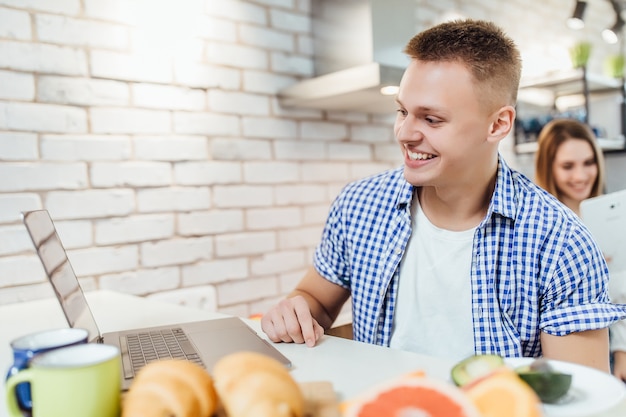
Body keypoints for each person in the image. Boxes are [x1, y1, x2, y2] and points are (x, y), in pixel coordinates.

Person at [261, 19, 626, 372]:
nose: (404, 133)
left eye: (431, 119)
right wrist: (294, 310)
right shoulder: (359, 204)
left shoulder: (561, 240)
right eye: (402, 111)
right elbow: (315, 303)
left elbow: (582, 401)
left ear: (498, 124)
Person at [535, 118, 626, 381]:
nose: (580, 175)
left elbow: (620, 294)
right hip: (560, 351)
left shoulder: (608, 218)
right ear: (549, 168)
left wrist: (621, 350)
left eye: (589, 162)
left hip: (610, 342)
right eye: (567, 166)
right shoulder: (543, 228)